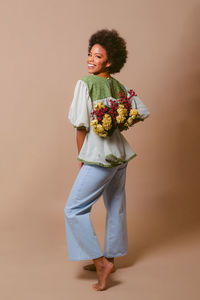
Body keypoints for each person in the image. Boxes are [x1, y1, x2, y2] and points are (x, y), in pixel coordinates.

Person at [64, 29, 150, 291]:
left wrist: (82, 157)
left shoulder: (85, 84)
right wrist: (118, 123)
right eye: (90, 54)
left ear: (109, 61)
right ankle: (112, 257)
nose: (90, 59)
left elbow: (80, 126)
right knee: (115, 205)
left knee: (73, 210)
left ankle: (102, 262)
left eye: (97, 56)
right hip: (120, 156)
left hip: (99, 158)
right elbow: (140, 111)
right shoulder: (118, 86)